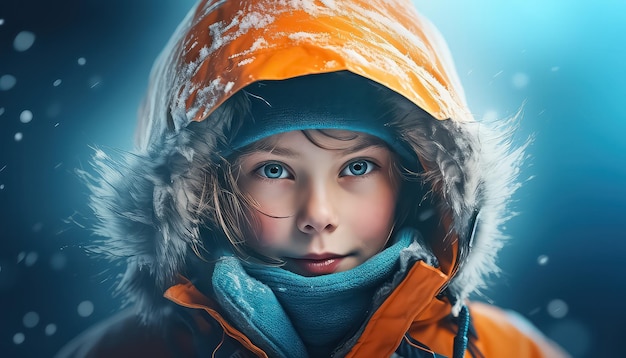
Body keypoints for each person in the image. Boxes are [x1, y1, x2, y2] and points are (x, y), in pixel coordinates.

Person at [57, 0, 569, 357]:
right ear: (202, 193)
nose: (318, 216)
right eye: (274, 170)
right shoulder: (119, 353)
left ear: (417, 178)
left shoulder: (507, 352)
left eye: (358, 167)